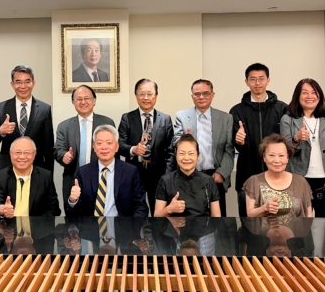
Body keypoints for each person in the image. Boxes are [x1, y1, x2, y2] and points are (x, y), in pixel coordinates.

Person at [229, 63, 288, 217]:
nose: (257, 83)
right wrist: (239, 141)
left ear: (268, 80)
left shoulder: (282, 109)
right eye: (253, 79)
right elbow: (235, 145)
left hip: (277, 176)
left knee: (278, 223)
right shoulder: (237, 111)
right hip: (247, 175)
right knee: (248, 222)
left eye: (261, 78)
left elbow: (287, 144)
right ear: (246, 82)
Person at [280, 78, 325, 217]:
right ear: (298, 96)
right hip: (298, 179)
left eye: (314, 92)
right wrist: (296, 139)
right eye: (304, 92)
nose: (310, 96)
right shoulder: (288, 119)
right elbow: (284, 152)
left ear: (319, 96)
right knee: (298, 221)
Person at [173, 79, 234, 216]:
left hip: (215, 175)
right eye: (197, 94)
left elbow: (229, 149)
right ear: (192, 96)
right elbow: (175, 142)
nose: (201, 97)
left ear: (212, 95)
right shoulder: (182, 116)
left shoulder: (226, 118)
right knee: (189, 219)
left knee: (218, 220)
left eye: (206, 93)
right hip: (189, 174)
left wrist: (221, 173)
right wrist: (185, 139)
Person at [54, 85, 115, 211]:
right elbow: (58, 150)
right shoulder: (64, 126)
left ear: (94, 101)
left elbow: (113, 151)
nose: (83, 102)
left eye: (87, 98)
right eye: (79, 99)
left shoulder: (107, 123)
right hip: (73, 179)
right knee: (73, 217)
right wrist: (63, 156)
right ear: (73, 102)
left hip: (101, 178)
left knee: (101, 214)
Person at [118, 78, 174, 214]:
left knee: (159, 214)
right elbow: (119, 145)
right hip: (134, 174)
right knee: (136, 213)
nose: (146, 98)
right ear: (136, 96)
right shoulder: (127, 118)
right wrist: (133, 149)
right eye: (142, 94)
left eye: (150, 94)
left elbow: (171, 152)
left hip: (159, 176)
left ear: (156, 96)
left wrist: (167, 177)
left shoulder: (165, 119)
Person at [66, 125, 148, 217]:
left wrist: (130, 225)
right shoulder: (83, 172)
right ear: (94, 147)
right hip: (91, 225)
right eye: (99, 143)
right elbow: (74, 213)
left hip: (121, 224)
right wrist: (73, 200)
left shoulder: (130, 171)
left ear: (117, 147)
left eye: (109, 143)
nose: (104, 147)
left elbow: (141, 206)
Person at [0, 65, 54, 173]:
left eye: (27, 81)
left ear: (33, 83)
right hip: (7, 169)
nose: (23, 86)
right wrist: (1, 131)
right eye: (18, 82)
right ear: (12, 84)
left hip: (35, 168)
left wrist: (48, 175)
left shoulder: (44, 109)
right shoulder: (1, 108)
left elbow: (48, 147)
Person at [244, 134, 313, 219]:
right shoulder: (254, 181)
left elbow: (309, 214)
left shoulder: (300, 182)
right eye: (271, 155)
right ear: (264, 157)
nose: (277, 160)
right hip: (264, 228)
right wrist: (264, 208)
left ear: (287, 158)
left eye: (281, 156)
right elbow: (250, 214)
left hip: (297, 228)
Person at [0, 136, 61, 218]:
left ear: (34, 154)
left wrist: (37, 223)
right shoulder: (0, 176)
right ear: (10, 154)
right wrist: (2, 209)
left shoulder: (45, 176)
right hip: (8, 224)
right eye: (18, 152)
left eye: (27, 153)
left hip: (36, 225)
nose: (22, 157)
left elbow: (54, 210)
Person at [155, 134, 221, 217]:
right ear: (176, 156)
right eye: (182, 153)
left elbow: (216, 217)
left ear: (198, 156)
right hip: (174, 225)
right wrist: (169, 209)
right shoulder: (165, 181)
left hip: (203, 225)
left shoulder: (208, 181)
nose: (186, 158)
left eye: (191, 153)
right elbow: (157, 217)